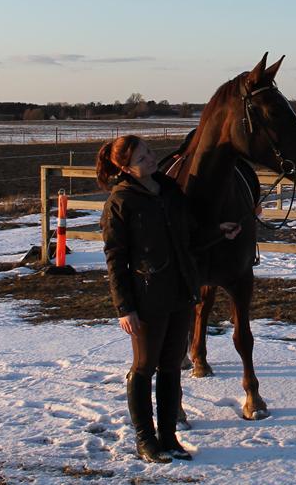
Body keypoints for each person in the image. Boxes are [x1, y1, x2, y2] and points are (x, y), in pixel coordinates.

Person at [96, 135, 241, 463]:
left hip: (182, 291)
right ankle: (145, 439)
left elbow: (190, 236)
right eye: (140, 158)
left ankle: (168, 436)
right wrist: (125, 307)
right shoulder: (121, 202)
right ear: (125, 168)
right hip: (147, 298)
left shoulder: (170, 191)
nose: (150, 158)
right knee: (144, 367)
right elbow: (115, 259)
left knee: (172, 366)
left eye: (148, 151)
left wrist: (220, 230)